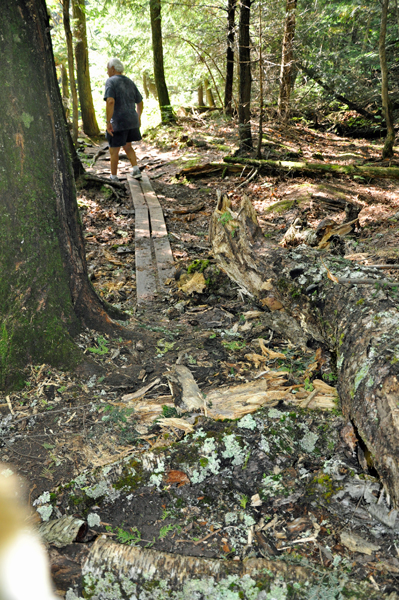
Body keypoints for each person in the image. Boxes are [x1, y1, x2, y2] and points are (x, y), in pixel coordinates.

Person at [104, 58, 144, 181]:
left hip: (118, 122)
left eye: (107, 69)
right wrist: (138, 117)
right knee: (128, 146)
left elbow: (110, 101)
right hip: (131, 121)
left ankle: (114, 177)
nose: (107, 72)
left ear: (112, 68)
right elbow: (140, 102)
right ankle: (136, 170)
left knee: (114, 150)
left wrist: (108, 122)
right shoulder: (130, 82)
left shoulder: (110, 81)